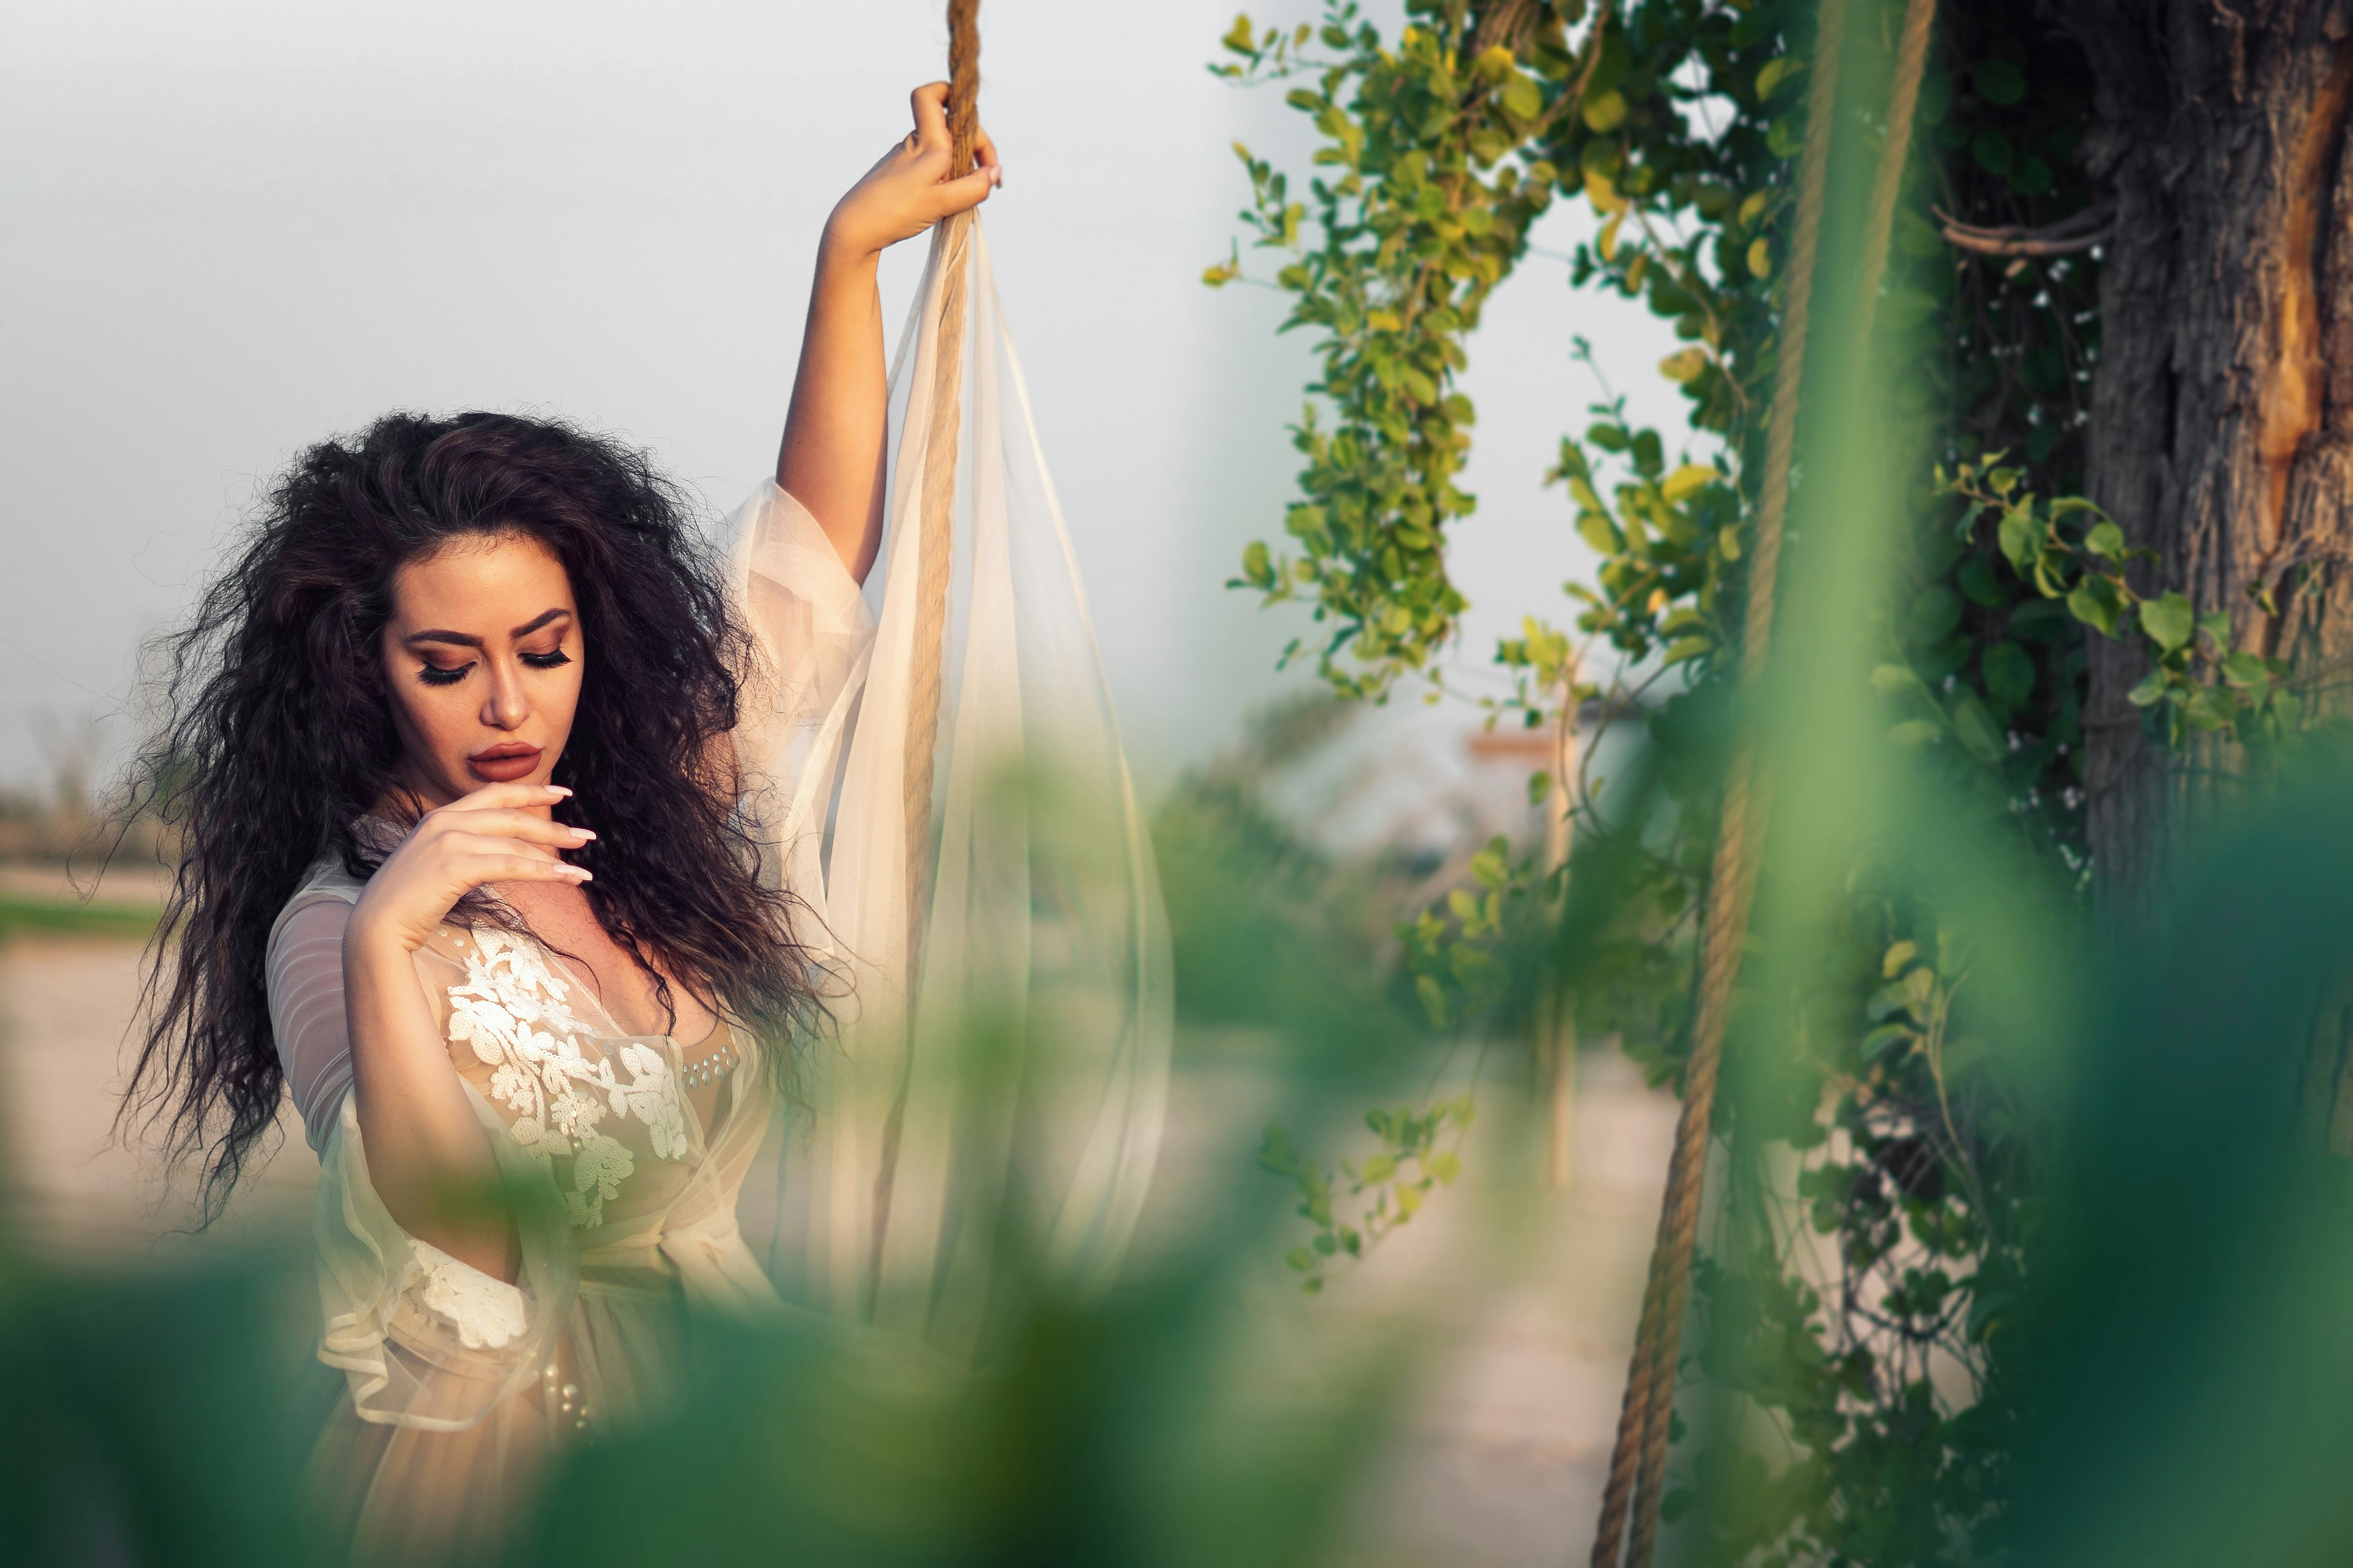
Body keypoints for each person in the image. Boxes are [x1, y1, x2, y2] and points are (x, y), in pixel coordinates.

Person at [119, 84, 1000, 1564]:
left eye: (546, 647)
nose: (511, 706)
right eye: (447, 665)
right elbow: (453, 1259)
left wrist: (845, 259)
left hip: (729, 1424)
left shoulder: (642, 817)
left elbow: (805, 573)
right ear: (366, 669)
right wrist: (401, 935)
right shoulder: (336, 931)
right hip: (510, 1480)